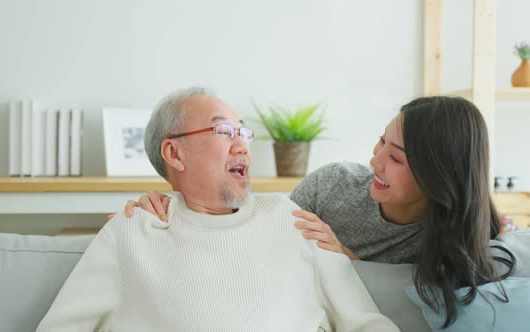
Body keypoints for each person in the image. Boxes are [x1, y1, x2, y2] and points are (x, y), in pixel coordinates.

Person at [113, 95, 516, 328]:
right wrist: (178, 211)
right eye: (379, 143)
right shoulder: (332, 186)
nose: (374, 161)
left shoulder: (464, 248)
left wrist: (349, 264)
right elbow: (251, 238)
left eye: (394, 157)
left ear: (437, 176)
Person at [37, 87, 399, 331]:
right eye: (224, 132)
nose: (242, 146)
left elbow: (367, 324)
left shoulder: (291, 221)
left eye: (244, 134)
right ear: (174, 153)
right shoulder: (134, 230)